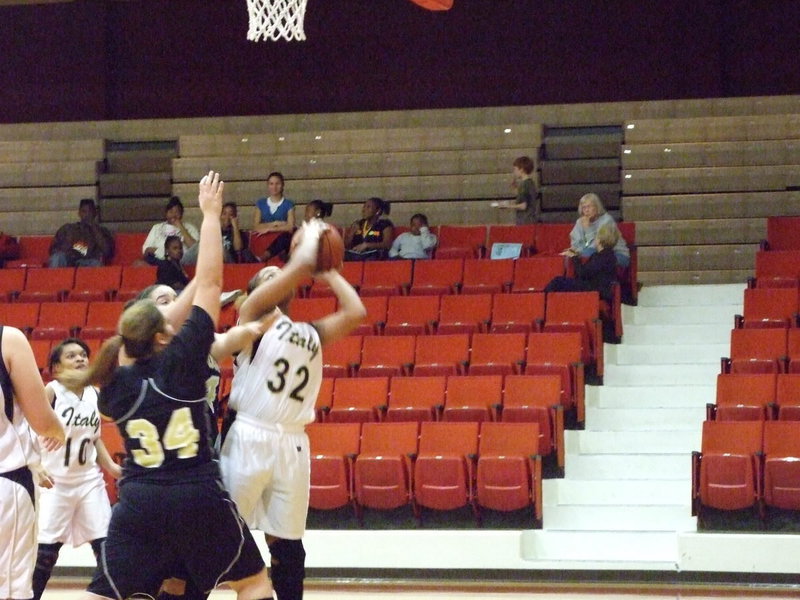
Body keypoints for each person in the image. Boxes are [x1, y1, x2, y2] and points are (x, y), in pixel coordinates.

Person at [69, 171, 276, 600]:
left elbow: (139, 337)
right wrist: (212, 215)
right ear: (162, 333)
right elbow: (211, 285)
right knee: (254, 583)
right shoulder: (182, 362)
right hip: (195, 494)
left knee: (117, 590)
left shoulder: (114, 384)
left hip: (139, 499)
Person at [219, 230, 366, 600]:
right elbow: (259, 298)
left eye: (279, 275)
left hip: (293, 442)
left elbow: (356, 313)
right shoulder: (249, 320)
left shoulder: (310, 332)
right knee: (219, 537)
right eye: (268, 276)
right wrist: (297, 266)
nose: (277, 278)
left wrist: (329, 271)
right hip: (249, 434)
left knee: (289, 545)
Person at [31, 338, 123, 600]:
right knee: (45, 555)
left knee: (107, 548)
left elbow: (93, 437)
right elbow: (27, 429)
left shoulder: (94, 393)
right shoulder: (52, 391)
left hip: (88, 482)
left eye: (83, 354)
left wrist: (112, 467)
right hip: (55, 483)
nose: (80, 359)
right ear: (57, 367)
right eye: (71, 356)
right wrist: (35, 464)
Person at [0, 326, 65, 600]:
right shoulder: (8, 340)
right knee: (9, 592)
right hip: (6, 481)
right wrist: (57, 430)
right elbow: (42, 421)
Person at [546, 223, 620, 303]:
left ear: (599, 240)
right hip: (597, 289)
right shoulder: (609, 256)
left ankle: (542, 303)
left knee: (557, 282)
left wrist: (574, 257)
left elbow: (582, 273)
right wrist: (576, 256)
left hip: (595, 290)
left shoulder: (601, 257)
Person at [562, 192, 630, 268]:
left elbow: (598, 246)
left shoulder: (606, 220)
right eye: (584, 208)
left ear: (597, 207)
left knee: (588, 254)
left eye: (589, 207)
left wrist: (587, 229)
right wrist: (574, 252)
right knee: (568, 256)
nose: (586, 210)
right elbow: (575, 243)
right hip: (594, 254)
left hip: (617, 255)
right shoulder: (580, 222)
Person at [48, 198, 115, 267]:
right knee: (57, 257)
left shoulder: (102, 231)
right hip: (68, 260)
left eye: (90, 212)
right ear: (79, 213)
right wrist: (66, 246)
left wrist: (94, 228)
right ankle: (54, 278)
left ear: (95, 213)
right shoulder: (68, 228)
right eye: (84, 211)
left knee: (96, 264)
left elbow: (108, 252)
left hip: (88, 262)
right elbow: (53, 249)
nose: (87, 215)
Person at [142, 196, 200, 266]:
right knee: (138, 264)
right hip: (159, 261)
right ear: (166, 214)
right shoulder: (157, 228)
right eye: (171, 211)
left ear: (181, 214)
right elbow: (146, 249)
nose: (174, 215)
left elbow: (195, 250)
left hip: (181, 262)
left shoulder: (190, 228)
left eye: (177, 212)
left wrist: (180, 227)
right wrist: (159, 251)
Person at [251, 172, 296, 262]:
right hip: (264, 240)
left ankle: (263, 257)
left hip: (282, 239)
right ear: (268, 185)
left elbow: (290, 227)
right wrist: (276, 224)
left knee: (287, 237)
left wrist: (269, 229)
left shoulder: (288, 204)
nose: (274, 187)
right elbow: (256, 226)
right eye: (271, 184)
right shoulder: (261, 203)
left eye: (277, 184)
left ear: (282, 185)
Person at [344, 197, 394, 261]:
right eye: (364, 207)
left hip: (374, 255)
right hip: (356, 255)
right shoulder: (358, 224)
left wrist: (367, 245)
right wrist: (352, 233)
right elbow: (346, 245)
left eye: (368, 207)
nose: (364, 210)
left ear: (377, 211)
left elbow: (387, 244)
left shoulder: (384, 224)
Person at [493, 156, 539, 224]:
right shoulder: (529, 183)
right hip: (529, 220)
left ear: (521, 169)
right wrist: (515, 188)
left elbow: (523, 206)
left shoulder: (525, 185)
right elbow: (525, 197)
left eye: (515, 169)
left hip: (525, 221)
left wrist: (507, 206)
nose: (514, 172)